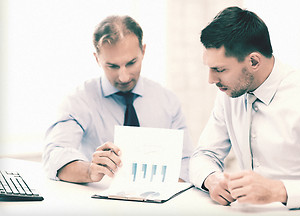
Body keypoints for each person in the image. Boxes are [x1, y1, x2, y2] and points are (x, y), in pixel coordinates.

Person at [189, 6, 300, 209]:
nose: (211, 80)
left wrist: (277, 191)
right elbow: (204, 154)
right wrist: (212, 179)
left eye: (220, 69)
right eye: (209, 68)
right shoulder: (230, 93)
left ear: (254, 61)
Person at [43, 15, 193, 183]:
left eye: (131, 63)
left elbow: (186, 163)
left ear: (143, 51)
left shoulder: (168, 101)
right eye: (113, 66)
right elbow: (54, 156)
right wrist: (90, 171)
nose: (123, 77)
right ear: (97, 59)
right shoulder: (79, 100)